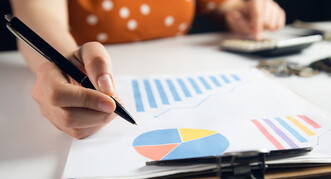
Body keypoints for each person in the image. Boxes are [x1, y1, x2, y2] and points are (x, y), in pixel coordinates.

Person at [10, 0, 285, 139]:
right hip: (89, 72)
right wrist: (62, 64)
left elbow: (222, 4)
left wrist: (240, 9)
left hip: (185, 70)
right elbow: (36, 12)